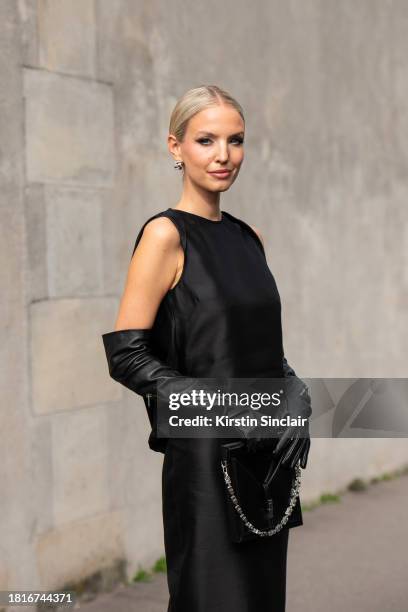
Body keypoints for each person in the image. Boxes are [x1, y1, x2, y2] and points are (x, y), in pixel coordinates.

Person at [102, 85, 311, 612]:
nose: (224, 155)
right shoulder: (164, 236)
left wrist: (294, 391)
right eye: (206, 140)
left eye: (235, 140)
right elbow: (126, 354)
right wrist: (213, 403)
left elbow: (258, 346)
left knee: (262, 600)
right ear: (175, 148)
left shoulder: (249, 238)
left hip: (265, 455)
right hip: (202, 457)